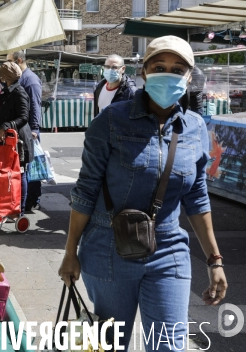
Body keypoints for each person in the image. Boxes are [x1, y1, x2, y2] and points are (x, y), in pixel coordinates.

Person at [58, 36, 227, 351]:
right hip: (108, 249)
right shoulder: (110, 121)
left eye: (178, 69)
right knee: (110, 344)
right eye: (159, 66)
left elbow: (198, 197)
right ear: (144, 72)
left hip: (169, 250)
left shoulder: (194, 127)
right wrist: (70, 252)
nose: (168, 73)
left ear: (190, 76)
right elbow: (85, 190)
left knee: (169, 345)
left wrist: (214, 259)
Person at [0, 61, 34, 215]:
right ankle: (9, 205)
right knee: (8, 173)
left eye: (1, 74)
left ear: (5, 76)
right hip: (9, 140)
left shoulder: (19, 92)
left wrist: (5, 126)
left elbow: (24, 117)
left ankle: (20, 210)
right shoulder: (8, 91)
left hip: (19, 141)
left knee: (19, 173)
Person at [8, 51, 43, 214]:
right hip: (20, 130)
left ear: (19, 60)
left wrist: (34, 129)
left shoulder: (30, 80)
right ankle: (28, 199)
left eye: (9, 61)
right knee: (25, 166)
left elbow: (35, 106)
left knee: (29, 167)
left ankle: (31, 200)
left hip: (28, 130)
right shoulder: (18, 78)